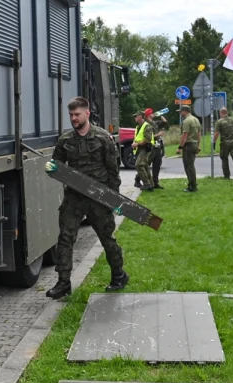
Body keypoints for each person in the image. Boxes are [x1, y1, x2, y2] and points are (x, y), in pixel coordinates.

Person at [44, 97, 128, 300]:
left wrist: (115, 200)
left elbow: (112, 172)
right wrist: (52, 169)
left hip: (98, 197)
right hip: (74, 197)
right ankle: (63, 282)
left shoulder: (102, 138)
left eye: (77, 114)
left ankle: (119, 275)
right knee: (65, 238)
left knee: (107, 239)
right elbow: (57, 166)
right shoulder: (65, 140)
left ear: (87, 114)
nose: (73, 118)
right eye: (71, 115)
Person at [175, 104, 202, 192]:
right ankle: (192, 183)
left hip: (188, 146)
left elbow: (185, 135)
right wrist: (198, 145)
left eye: (181, 112)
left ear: (185, 111)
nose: (180, 113)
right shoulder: (196, 119)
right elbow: (199, 134)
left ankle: (192, 186)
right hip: (194, 144)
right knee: (191, 165)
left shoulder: (186, 121)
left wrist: (180, 147)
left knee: (188, 166)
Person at [212, 107, 233, 181]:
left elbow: (216, 133)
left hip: (225, 142)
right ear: (227, 113)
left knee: (224, 159)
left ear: (221, 113)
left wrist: (214, 142)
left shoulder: (219, 122)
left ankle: (227, 176)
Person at [132, 109, 155, 190]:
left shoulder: (147, 126)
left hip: (145, 148)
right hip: (140, 149)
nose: (135, 118)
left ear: (141, 116)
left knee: (138, 165)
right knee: (145, 166)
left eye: (136, 116)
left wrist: (137, 144)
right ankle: (151, 184)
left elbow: (147, 139)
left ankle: (146, 183)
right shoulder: (138, 127)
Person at [150, 114, 167, 189]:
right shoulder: (146, 124)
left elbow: (164, 122)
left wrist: (160, 114)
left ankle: (155, 182)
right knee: (145, 165)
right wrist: (158, 135)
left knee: (157, 165)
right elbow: (147, 137)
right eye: (151, 113)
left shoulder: (155, 122)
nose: (153, 114)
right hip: (150, 147)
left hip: (157, 146)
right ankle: (138, 180)